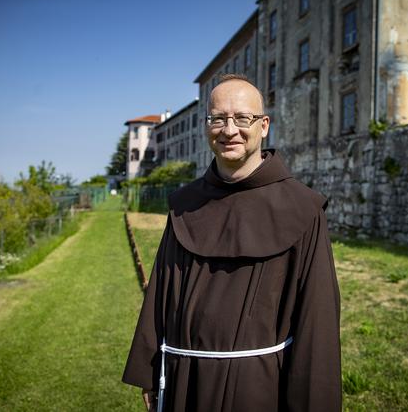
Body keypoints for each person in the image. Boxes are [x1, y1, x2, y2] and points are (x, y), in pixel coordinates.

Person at [122, 74, 341, 411]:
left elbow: (317, 319)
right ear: (206, 125)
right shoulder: (184, 204)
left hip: (260, 388)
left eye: (242, 118)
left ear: (264, 125)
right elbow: (160, 294)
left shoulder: (303, 208)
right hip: (184, 382)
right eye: (218, 119)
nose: (229, 129)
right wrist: (150, 371)